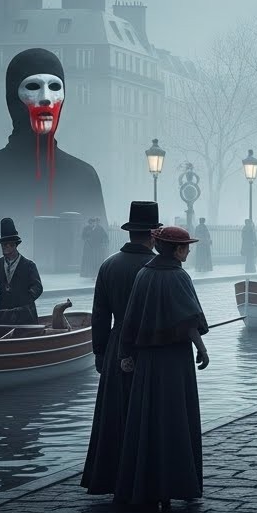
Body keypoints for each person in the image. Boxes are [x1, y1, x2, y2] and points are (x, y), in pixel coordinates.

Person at [0, 48, 107, 225]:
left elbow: (99, 240)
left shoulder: (84, 178)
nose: (46, 98)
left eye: (54, 87)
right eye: (33, 86)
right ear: (13, 98)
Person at [114, 225, 210, 511]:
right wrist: (202, 348)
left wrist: (125, 353)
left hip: (147, 362)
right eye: (186, 246)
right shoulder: (179, 277)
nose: (189, 251)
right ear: (177, 250)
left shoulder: (143, 274)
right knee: (175, 420)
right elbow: (190, 321)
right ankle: (174, 484)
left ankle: (145, 485)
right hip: (175, 362)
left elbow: (129, 320)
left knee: (147, 421)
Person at [81, 201, 160, 495]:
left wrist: (100, 352)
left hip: (116, 345)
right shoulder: (158, 268)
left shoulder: (109, 266)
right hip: (151, 345)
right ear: (153, 234)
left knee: (116, 415)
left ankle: (113, 477)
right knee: (148, 414)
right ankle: (146, 478)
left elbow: (100, 315)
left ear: (129, 232)